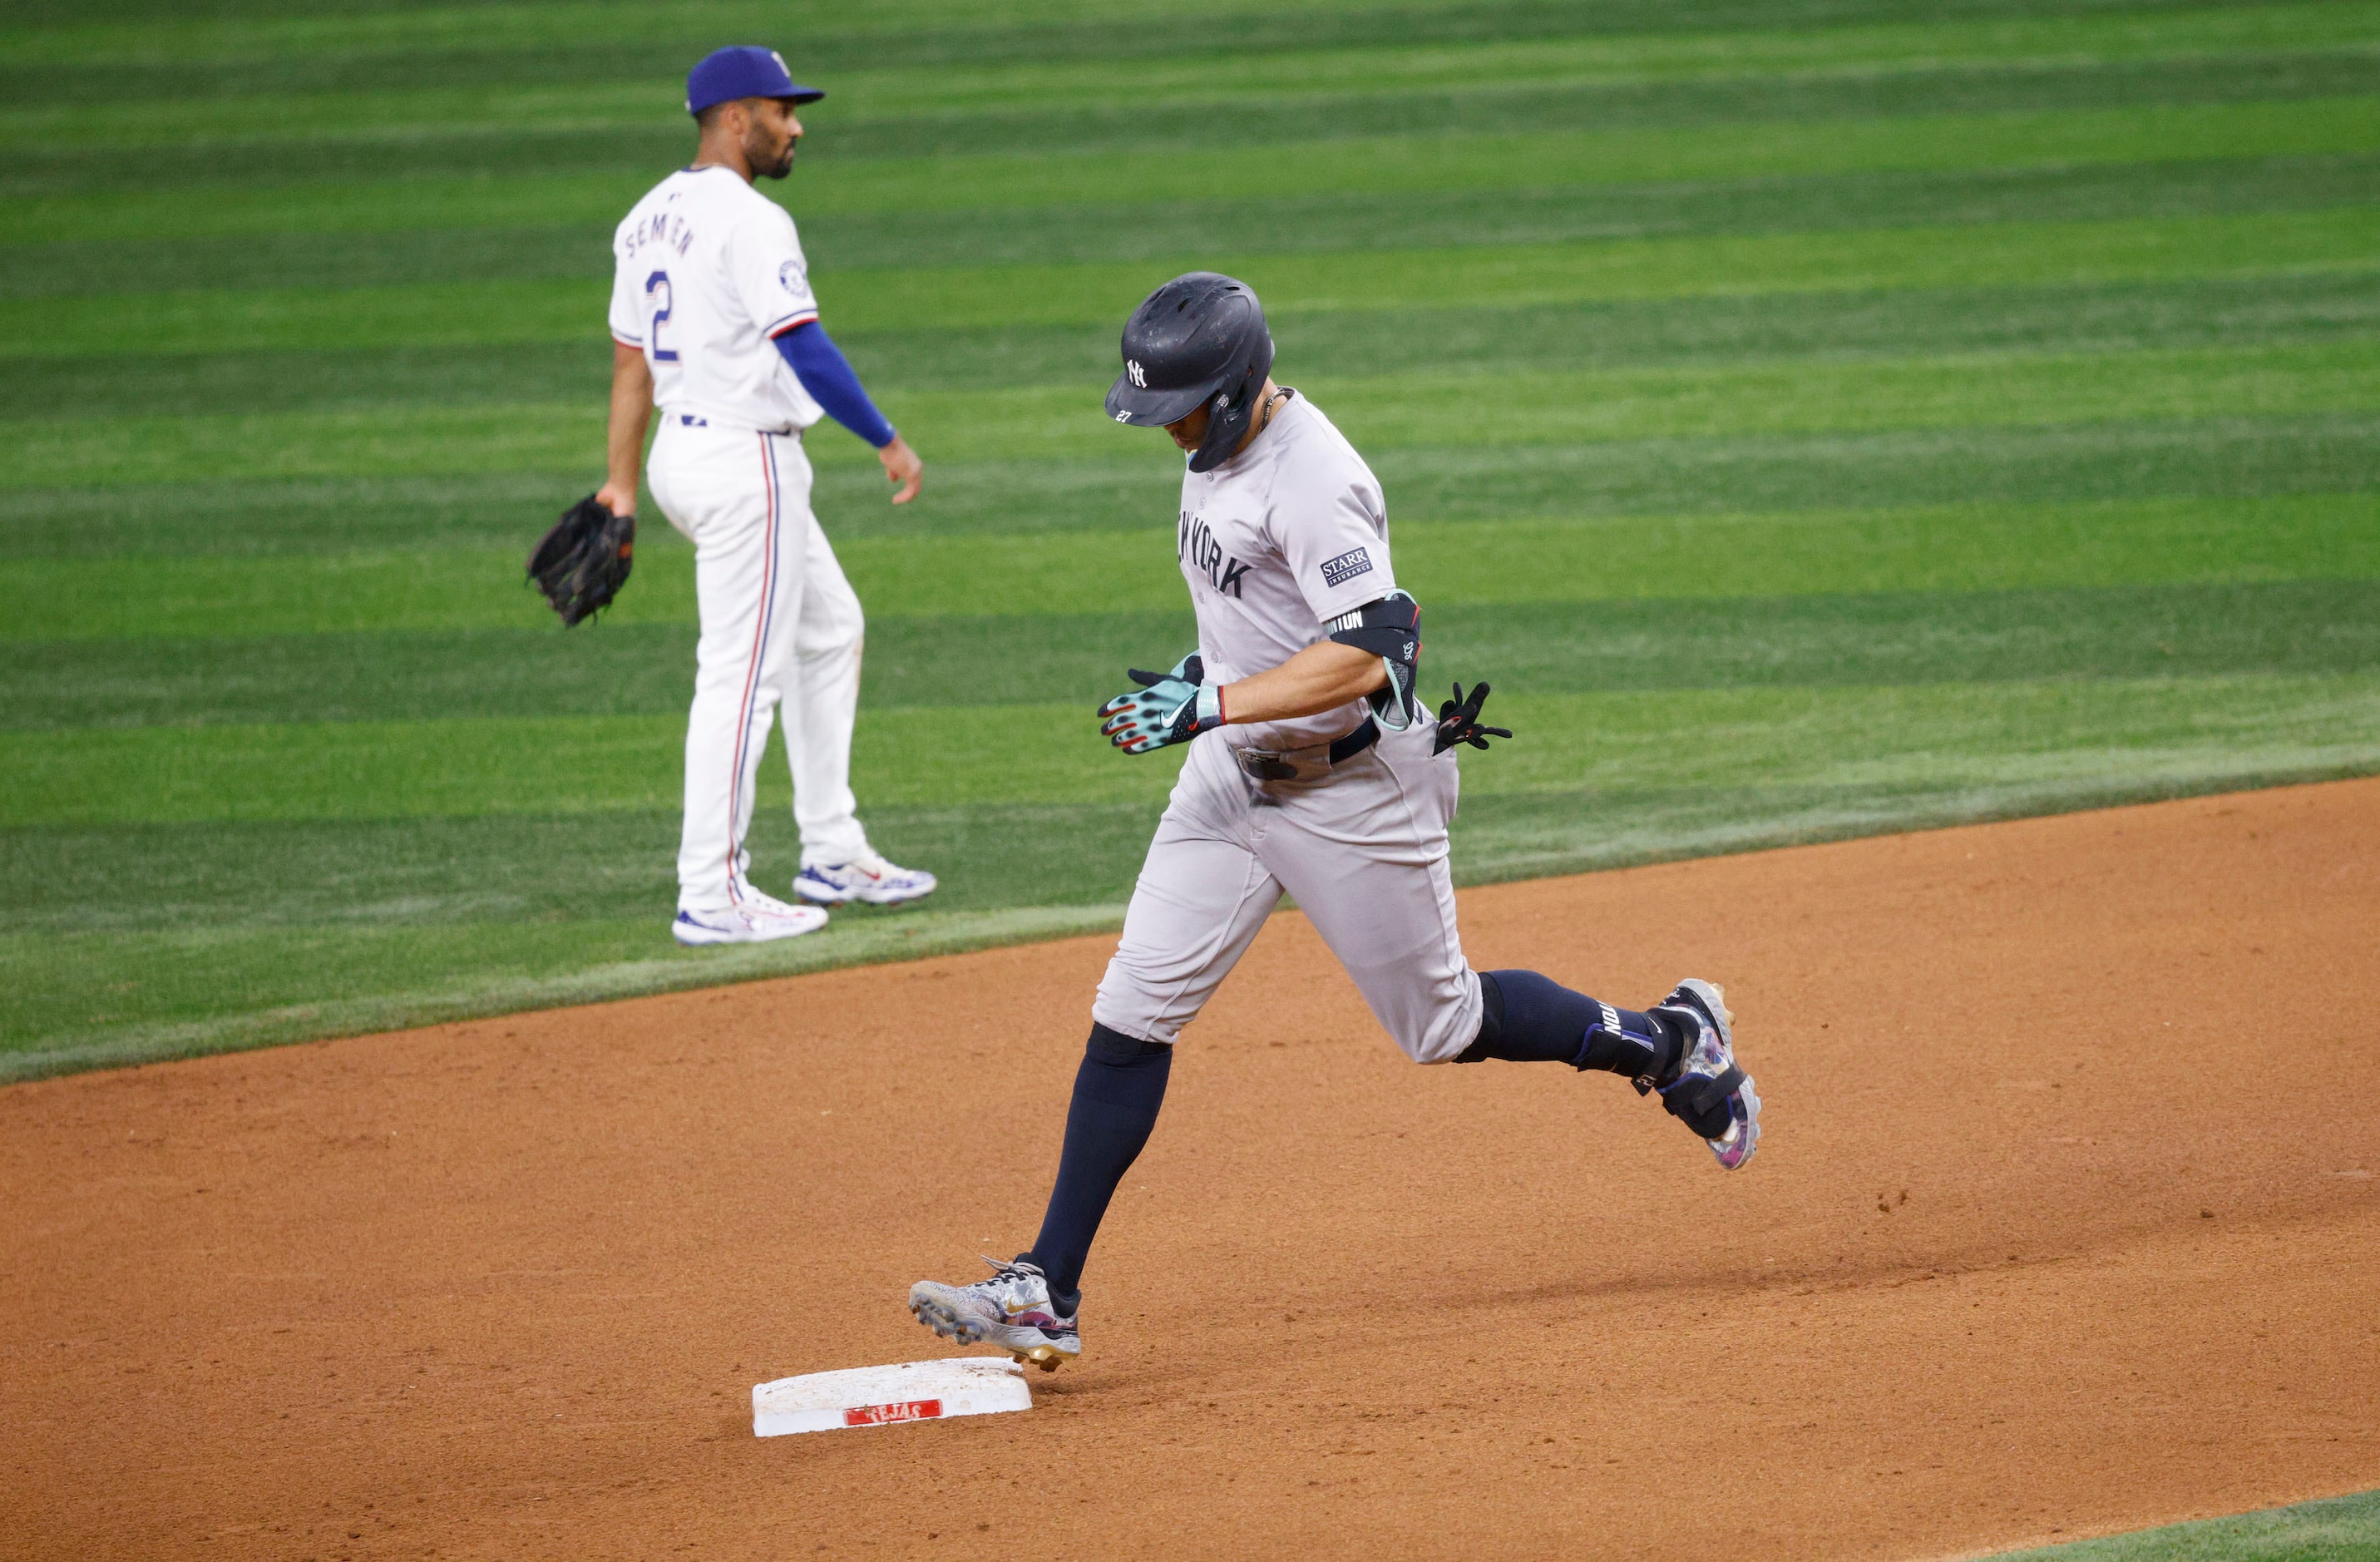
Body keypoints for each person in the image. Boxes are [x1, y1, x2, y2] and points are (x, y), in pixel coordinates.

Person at [906, 273, 1763, 1370]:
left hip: (1354, 789)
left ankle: (1670, 1037)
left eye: (1177, 407)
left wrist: (1209, 701)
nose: (1164, 428)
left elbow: (1371, 648)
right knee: (1133, 1007)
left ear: (1232, 391)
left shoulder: (1314, 479)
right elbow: (1260, 622)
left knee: (1442, 1022)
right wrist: (1208, 682)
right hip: (1232, 778)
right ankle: (1046, 1285)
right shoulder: (1213, 455)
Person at [599, 46, 936, 947]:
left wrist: (621, 486)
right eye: (783, 111)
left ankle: (830, 848)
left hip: (683, 452)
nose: (796, 126)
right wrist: (889, 442)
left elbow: (631, 365)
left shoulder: (643, 221)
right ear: (737, 116)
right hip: (748, 465)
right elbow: (806, 348)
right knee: (742, 681)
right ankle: (711, 892)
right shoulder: (749, 220)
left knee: (831, 628)